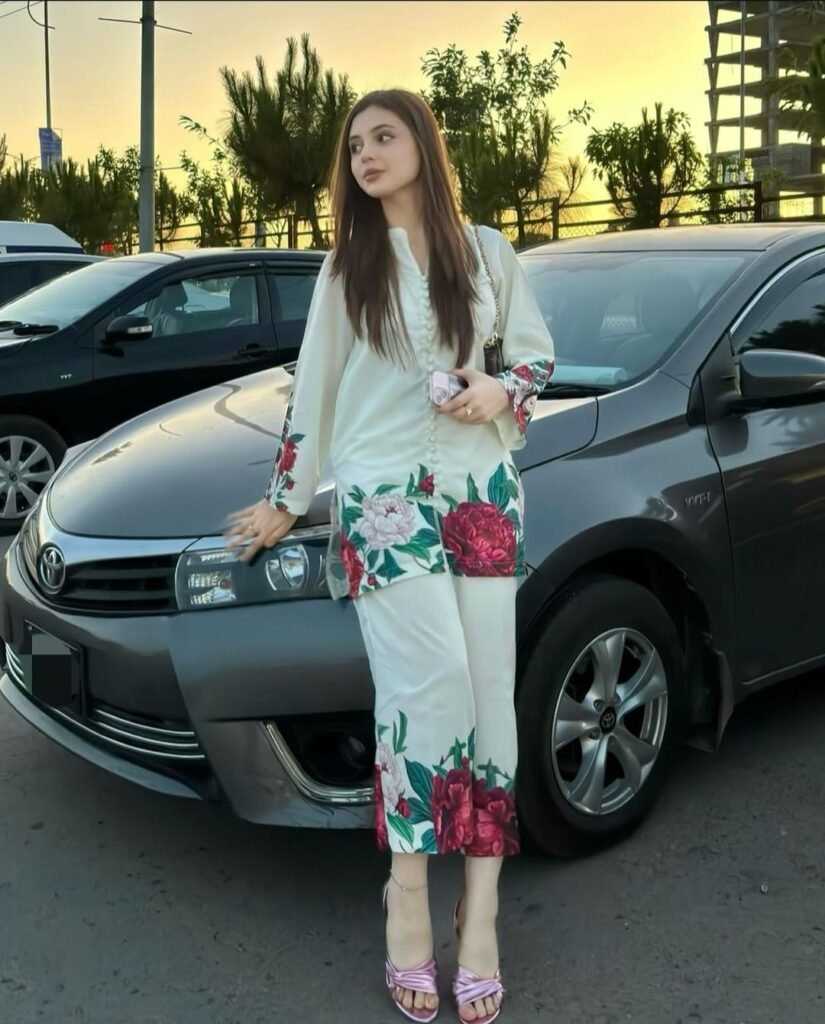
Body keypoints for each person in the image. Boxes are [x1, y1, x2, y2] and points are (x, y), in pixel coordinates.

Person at [226, 89, 554, 1024]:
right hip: (381, 505)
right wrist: (288, 500)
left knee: (489, 701)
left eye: (383, 136)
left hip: (481, 497)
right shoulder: (345, 269)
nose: (365, 155)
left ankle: (479, 912)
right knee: (430, 688)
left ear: (422, 143)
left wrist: (499, 391)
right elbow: (314, 395)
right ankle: (407, 893)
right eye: (354, 145)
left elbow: (534, 360)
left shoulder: (487, 252)